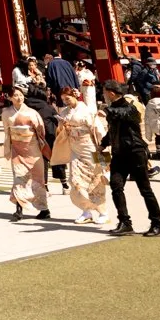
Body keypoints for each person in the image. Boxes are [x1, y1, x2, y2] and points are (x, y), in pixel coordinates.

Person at [101, 81, 160, 237]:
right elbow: (112, 131)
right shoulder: (114, 109)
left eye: (104, 92)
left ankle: (157, 223)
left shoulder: (130, 107)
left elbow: (122, 114)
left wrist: (106, 110)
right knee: (116, 186)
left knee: (145, 189)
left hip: (135, 152)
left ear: (111, 93)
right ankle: (125, 222)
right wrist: (102, 144)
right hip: (119, 153)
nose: (103, 95)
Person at [53, 86, 107, 223]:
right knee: (75, 180)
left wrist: (103, 148)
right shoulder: (65, 112)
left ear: (75, 96)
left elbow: (97, 130)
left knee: (95, 180)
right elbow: (60, 131)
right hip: (74, 149)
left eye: (68, 98)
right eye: (63, 99)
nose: (66, 102)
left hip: (89, 146)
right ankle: (86, 211)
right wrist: (62, 125)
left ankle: (102, 212)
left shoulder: (86, 110)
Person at [1, 87, 50, 222]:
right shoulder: (6, 113)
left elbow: (40, 131)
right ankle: (19, 209)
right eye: (15, 95)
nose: (19, 98)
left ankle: (44, 209)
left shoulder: (32, 113)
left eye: (21, 95)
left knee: (38, 179)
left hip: (33, 149)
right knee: (19, 179)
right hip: (17, 149)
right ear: (10, 97)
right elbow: (7, 131)